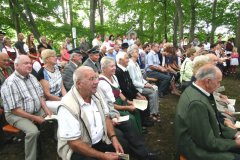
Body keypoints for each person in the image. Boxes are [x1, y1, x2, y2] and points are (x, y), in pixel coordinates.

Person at [175, 64, 240, 160]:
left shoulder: (195, 90)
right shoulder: (197, 103)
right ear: (208, 81)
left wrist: (235, 134)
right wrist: (235, 143)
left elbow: (215, 122)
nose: (219, 85)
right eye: (218, 82)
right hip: (195, 150)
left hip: (201, 142)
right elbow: (207, 142)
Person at [57, 66, 124, 160]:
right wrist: (103, 156)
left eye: (96, 77)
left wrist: (113, 138)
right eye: (91, 79)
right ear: (79, 83)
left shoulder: (95, 93)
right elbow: (74, 143)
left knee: (122, 144)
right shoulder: (67, 106)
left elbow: (106, 117)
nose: (97, 81)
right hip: (78, 149)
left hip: (100, 140)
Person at [1, 55, 52, 160]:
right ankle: (31, 158)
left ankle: (47, 147)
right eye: (26, 63)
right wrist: (35, 118)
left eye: (30, 63)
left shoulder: (32, 77)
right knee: (33, 132)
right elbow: (15, 109)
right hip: (16, 114)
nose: (30, 65)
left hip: (34, 110)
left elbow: (40, 97)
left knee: (53, 119)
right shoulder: (10, 83)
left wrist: (47, 111)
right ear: (16, 66)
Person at [127, 47, 160, 122]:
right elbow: (133, 82)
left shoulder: (136, 64)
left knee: (155, 87)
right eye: (136, 51)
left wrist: (147, 83)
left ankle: (155, 111)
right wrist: (145, 85)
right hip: (137, 88)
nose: (138, 52)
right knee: (153, 91)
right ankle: (152, 113)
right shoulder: (130, 65)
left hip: (141, 85)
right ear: (131, 54)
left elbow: (141, 78)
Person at [37, 49, 66, 113]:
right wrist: (62, 100)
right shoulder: (42, 73)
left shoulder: (57, 68)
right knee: (65, 108)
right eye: (53, 56)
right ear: (46, 59)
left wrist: (66, 98)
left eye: (55, 56)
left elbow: (62, 87)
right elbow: (47, 95)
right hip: (49, 101)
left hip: (60, 98)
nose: (56, 57)